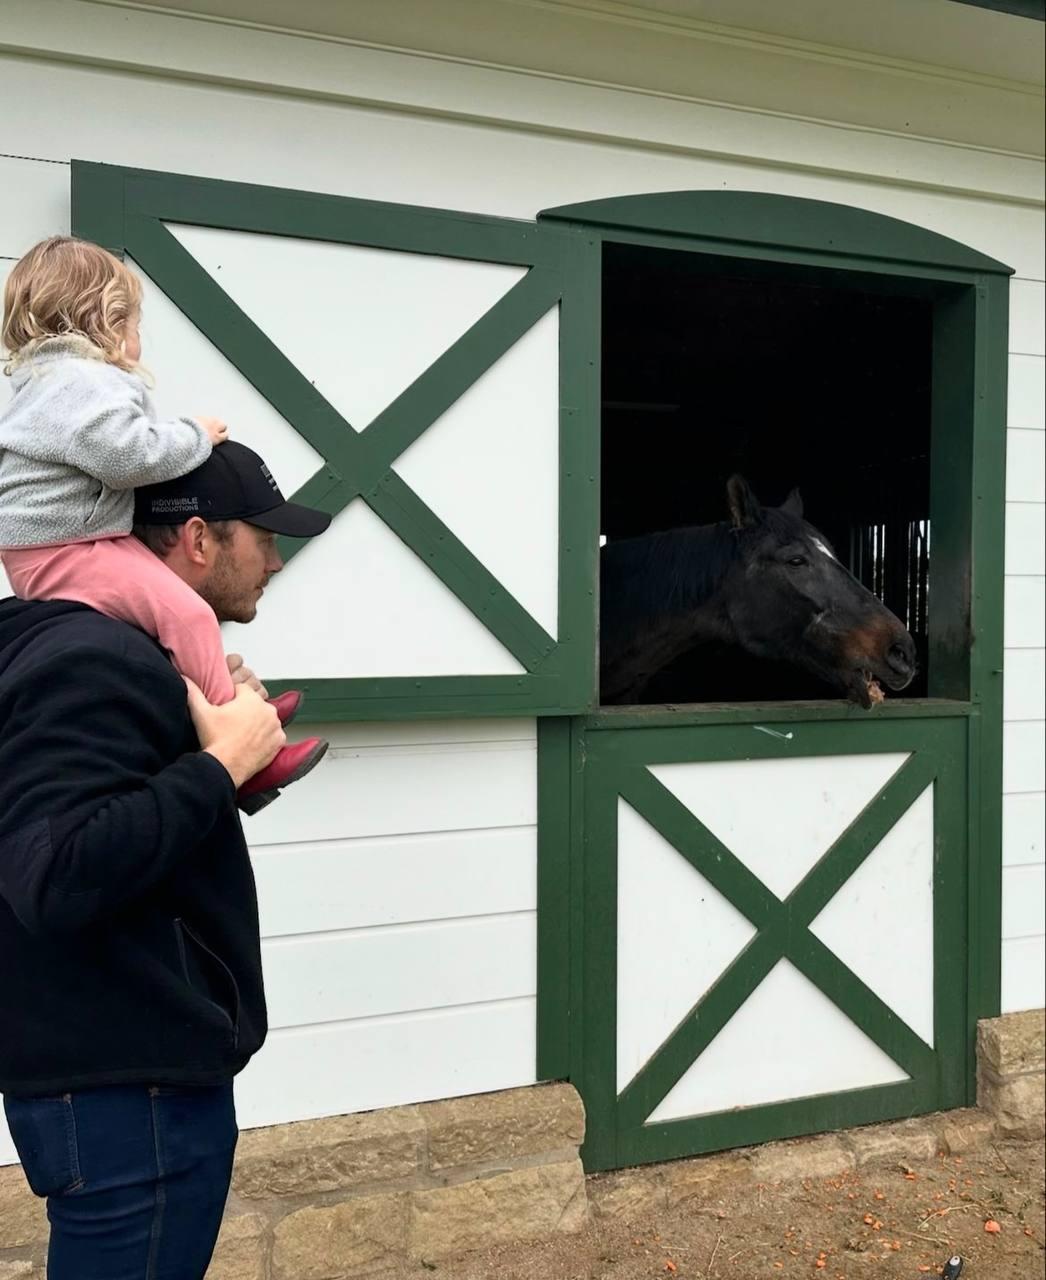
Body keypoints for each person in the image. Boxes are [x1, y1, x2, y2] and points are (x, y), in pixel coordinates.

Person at [0, 440, 331, 1277]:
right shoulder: (90, 660)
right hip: (128, 1092)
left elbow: (116, 821)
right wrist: (220, 765)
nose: (278, 559)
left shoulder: (117, 656)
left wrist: (219, 763)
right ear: (197, 539)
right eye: (264, 535)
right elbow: (56, 870)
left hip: (115, 1076)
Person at [0, 234, 326, 811]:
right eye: (135, 322)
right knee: (187, 612)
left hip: (63, 541)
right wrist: (194, 434)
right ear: (107, 317)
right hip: (62, 549)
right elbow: (128, 457)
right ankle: (242, 741)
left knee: (172, 623)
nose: (276, 561)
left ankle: (231, 715)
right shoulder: (81, 382)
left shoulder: (47, 383)